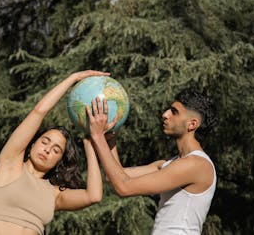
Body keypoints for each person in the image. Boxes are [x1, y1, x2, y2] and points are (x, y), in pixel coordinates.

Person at [0, 70, 110, 235]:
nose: (48, 149)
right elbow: (39, 112)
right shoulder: (9, 164)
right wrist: (72, 78)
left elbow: (93, 196)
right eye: (45, 141)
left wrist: (90, 142)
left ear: (59, 161)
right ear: (32, 144)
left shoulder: (54, 194)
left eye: (56, 150)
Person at [88, 89, 218, 235]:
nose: (165, 114)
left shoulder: (196, 164)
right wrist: (109, 139)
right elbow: (114, 176)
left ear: (192, 124)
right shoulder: (170, 164)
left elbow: (124, 188)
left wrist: (98, 137)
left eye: (174, 112)